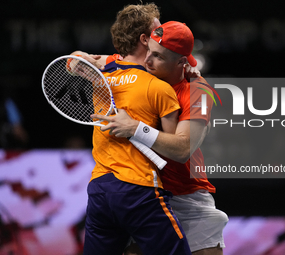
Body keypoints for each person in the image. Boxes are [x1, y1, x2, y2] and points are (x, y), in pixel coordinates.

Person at [92, 21, 228, 255]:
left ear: (181, 63)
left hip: (187, 197)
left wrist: (136, 128)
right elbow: (78, 59)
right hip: (144, 196)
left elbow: (183, 148)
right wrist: (77, 64)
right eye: (148, 52)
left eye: (157, 57)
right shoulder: (143, 70)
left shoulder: (198, 92)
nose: (146, 61)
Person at [72, 4, 191, 255]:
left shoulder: (103, 74)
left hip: (100, 191)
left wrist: (76, 58)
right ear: (145, 39)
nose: (164, 33)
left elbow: (74, 62)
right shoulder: (159, 88)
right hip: (139, 191)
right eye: (159, 30)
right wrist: (139, 129)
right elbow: (179, 151)